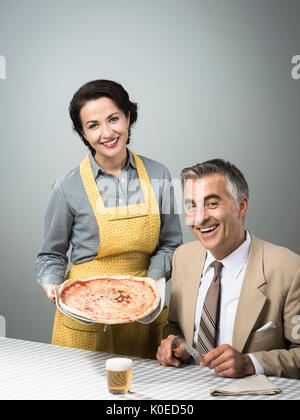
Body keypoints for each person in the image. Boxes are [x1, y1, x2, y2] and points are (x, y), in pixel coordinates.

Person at [36, 79, 182, 359]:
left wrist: (149, 287)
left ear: (129, 117)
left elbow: (170, 245)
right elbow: (50, 255)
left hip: (144, 310)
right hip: (85, 310)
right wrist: (52, 283)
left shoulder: (159, 175)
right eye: (93, 125)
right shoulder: (67, 187)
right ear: (82, 132)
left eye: (114, 119)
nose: (107, 132)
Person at [156, 159, 300, 378]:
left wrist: (251, 363)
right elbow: (175, 326)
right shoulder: (182, 258)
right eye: (192, 206)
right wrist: (174, 344)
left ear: (241, 206)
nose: (201, 217)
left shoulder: (289, 269)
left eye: (212, 204)